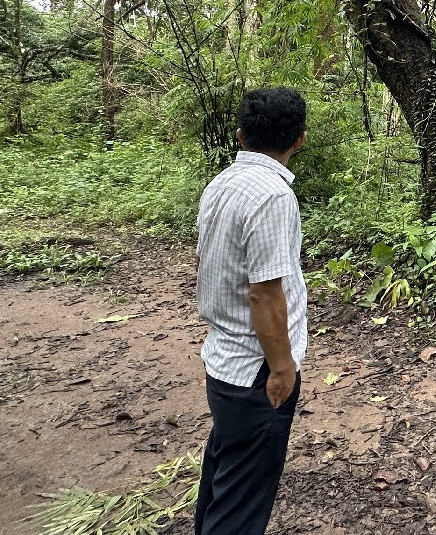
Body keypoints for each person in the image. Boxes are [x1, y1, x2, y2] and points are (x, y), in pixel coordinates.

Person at [194, 86, 309, 535]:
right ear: (299, 139)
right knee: (242, 504)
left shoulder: (222, 183)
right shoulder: (275, 197)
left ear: (240, 136)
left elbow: (206, 261)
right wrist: (282, 369)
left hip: (223, 361)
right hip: (255, 372)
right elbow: (265, 293)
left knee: (225, 478)